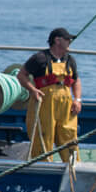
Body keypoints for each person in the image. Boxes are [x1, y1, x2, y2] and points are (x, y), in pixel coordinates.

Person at [20, 27, 82, 162]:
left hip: (66, 106)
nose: (70, 42)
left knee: (69, 136)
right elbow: (21, 75)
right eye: (67, 39)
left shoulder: (70, 60)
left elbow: (76, 81)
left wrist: (77, 99)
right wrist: (33, 90)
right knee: (44, 136)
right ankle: (43, 166)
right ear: (57, 40)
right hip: (44, 105)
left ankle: (72, 167)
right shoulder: (39, 58)